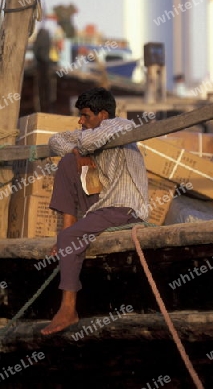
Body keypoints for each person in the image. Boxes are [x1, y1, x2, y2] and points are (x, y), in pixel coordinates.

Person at [41, 87, 149, 335]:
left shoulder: (122, 125)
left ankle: (68, 310)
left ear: (102, 115)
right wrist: (77, 153)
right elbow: (55, 141)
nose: (80, 121)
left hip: (125, 208)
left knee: (68, 239)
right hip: (103, 207)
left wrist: (80, 148)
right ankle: (69, 230)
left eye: (85, 115)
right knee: (68, 162)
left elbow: (89, 140)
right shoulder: (95, 131)